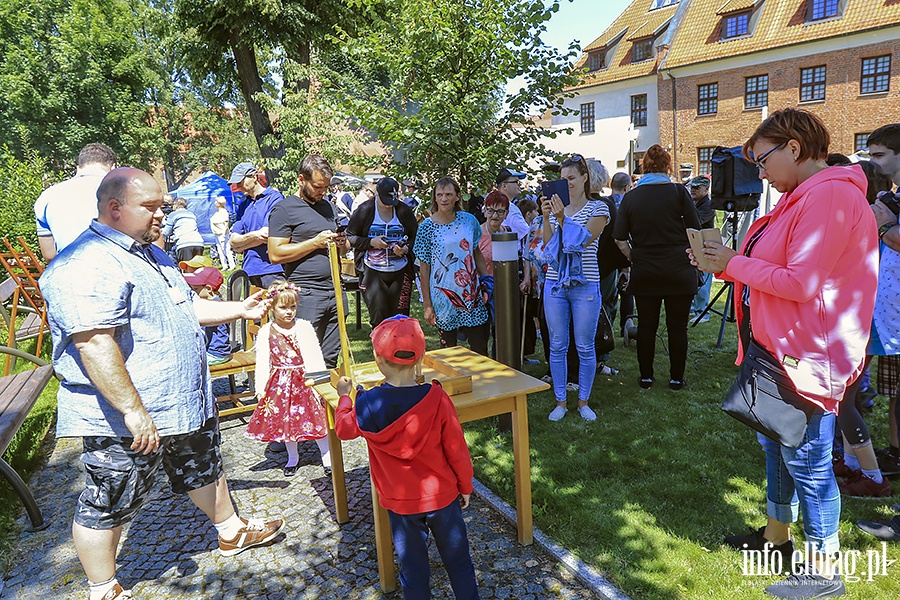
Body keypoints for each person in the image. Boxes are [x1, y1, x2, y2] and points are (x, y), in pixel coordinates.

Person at [39, 167, 284, 600]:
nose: (161, 216)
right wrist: (133, 411)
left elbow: (184, 306)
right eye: (150, 207)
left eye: (163, 207)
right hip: (128, 414)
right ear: (114, 208)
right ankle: (103, 587)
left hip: (179, 401)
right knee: (110, 498)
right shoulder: (87, 262)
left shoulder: (151, 252)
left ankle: (231, 531)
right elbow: (95, 344)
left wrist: (240, 310)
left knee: (202, 465)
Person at [694, 108, 877, 598]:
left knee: (810, 463)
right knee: (778, 447)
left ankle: (823, 573)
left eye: (762, 160)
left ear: (793, 148)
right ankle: (777, 538)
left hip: (808, 356)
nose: (760, 173)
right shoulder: (806, 196)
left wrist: (733, 263)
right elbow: (774, 267)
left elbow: (801, 282)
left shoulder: (830, 195)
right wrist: (727, 263)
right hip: (781, 350)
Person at [334, 316, 479, 599]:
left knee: (413, 571)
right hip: (442, 495)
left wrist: (344, 397)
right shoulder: (437, 398)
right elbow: (457, 449)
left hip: (401, 503)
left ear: (377, 358)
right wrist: (466, 486)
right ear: (421, 358)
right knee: (459, 563)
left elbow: (343, 429)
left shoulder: (366, 403)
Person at [614, 145, 700, 390]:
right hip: (679, 269)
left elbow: (619, 238)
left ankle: (646, 377)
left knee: (647, 326)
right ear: (667, 166)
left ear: (644, 167)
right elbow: (695, 231)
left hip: (646, 269)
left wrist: (633, 257)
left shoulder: (631, 197)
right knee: (677, 327)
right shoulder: (679, 193)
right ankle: (676, 378)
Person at [541, 154, 609, 422]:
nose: (566, 183)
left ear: (584, 178)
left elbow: (580, 242)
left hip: (586, 284)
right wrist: (548, 219)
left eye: (571, 178)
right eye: (562, 179)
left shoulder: (599, 209)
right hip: (556, 283)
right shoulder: (559, 209)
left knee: (584, 345)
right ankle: (560, 401)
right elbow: (550, 249)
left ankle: (583, 402)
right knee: (557, 345)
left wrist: (561, 219)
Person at [268, 154, 349, 369]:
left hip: (335, 291)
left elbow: (342, 250)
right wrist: (314, 242)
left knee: (330, 359)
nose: (322, 192)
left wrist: (341, 242)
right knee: (305, 359)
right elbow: (275, 254)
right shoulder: (284, 209)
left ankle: (326, 403)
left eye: (326, 187)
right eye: (317, 186)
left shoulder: (328, 207)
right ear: (301, 179)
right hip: (307, 294)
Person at [245, 281, 330, 476]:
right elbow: (263, 360)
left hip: (304, 380)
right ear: (273, 308)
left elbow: (315, 354)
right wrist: (261, 387)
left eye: (293, 307)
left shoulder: (304, 327)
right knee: (287, 419)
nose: (289, 312)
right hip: (280, 383)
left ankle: (326, 455)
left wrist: (320, 381)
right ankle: (293, 456)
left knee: (315, 417)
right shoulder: (267, 330)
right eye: (283, 307)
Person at [413, 177, 492, 356]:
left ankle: (482, 383)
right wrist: (427, 305)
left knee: (480, 348)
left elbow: (476, 252)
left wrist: (487, 281)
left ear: (457, 196)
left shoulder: (469, 221)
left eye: (448, 194)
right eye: (439, 195)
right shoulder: (427, 227)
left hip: (472, 296)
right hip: (443, 298)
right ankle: (450, 385)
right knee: (448, 353)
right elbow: (423, 269)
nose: (444, 199)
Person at [866, 124, 900, 477]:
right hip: (890, 315)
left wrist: (883, 226)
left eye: (879, 155)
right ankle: (895, 451)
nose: (874, 163)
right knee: (894, 393)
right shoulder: (893, 193)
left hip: (896, 316)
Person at [347, 176, 418, 327]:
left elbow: (415, 237)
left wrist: (405, 248)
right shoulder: (365, 210)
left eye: (392, 202)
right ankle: (379, 349)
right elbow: (350, 237)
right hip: (373, 271)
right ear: (377, 194)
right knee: (378, 318)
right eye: (385, 201)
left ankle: (399, 349)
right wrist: (371, 242)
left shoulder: (403, 211)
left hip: (400, 270)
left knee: (400, 318)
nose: (388, 206)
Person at [34, 143, 117, 261]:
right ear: (113, 167)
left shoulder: (47, 196)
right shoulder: (123, 192)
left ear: (78, 167)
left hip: (67, 271)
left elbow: (49, 254)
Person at [587, 160, 628, 376]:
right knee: (604, 313)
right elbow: (617, 239)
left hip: (584, 269)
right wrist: (624, 266)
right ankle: (599, 359)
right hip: (603, 270)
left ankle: (588, 358)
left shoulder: (579, 204)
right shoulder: (605, 205)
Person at [228, 162, 285, 288]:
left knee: (280, 307)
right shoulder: (243, 205)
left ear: (254, 177)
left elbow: (266, 235)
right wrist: (254, 235)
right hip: (249, 270)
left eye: (240, 181)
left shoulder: (274, 199)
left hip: (272, 269)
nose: (237, 186)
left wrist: (242, 244)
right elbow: (233, 241)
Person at [183, 266, 233, 366]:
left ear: (208, 289)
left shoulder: (213, 307)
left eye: (195, 289)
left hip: (217, 353)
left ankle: (202, 382)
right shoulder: (213, 302)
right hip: (213, 350)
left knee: (190, 363)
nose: (193, 292)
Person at [688, 175, 715, 322]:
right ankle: (694, 309)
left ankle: (703, 312)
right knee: (694, 278)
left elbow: (695, 221)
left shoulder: (708, 205)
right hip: (695, 245)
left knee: (704, 280)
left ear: (706, 189)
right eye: (692, 187)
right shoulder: (693, 203)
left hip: (706, 245)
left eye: (697, 187)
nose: (693, 190)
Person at [161, 197, 205, 263]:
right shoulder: (191, 214)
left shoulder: (173, 215)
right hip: (199, 243)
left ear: (175, 205)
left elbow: (166, 232)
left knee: (186, 269)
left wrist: (159, 230)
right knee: (197, 268)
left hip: (184, 244)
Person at [494, 167, 532, 240]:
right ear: (504, 186)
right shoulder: (510, 208)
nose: (519, 185)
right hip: (512, 250)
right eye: (516, 182)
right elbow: (529, 235)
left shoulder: (493, 204)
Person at [210, 196, 236, 270]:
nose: (215, 203)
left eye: (216, 202)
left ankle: (232, 265)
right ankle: (224, 265)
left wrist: (224, 235)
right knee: (220, 250)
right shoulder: (217, 212)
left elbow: (226, 224)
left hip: (222, 234)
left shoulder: (224, 212)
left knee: (226, 249)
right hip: (217, 234)